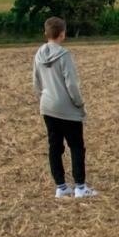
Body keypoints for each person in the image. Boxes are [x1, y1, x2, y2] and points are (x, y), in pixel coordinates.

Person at [33, 16, 97, 199]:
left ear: (46, 33)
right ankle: (80, 187)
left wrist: (43, 98)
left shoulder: (38, 54)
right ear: (63, 33)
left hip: (47, 106)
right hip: (67, 108)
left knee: (55, 146)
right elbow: (72, 85)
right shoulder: (65, 55)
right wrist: (79, 104)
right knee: (76, 146)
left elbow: (35, 82)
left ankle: (61, 187)